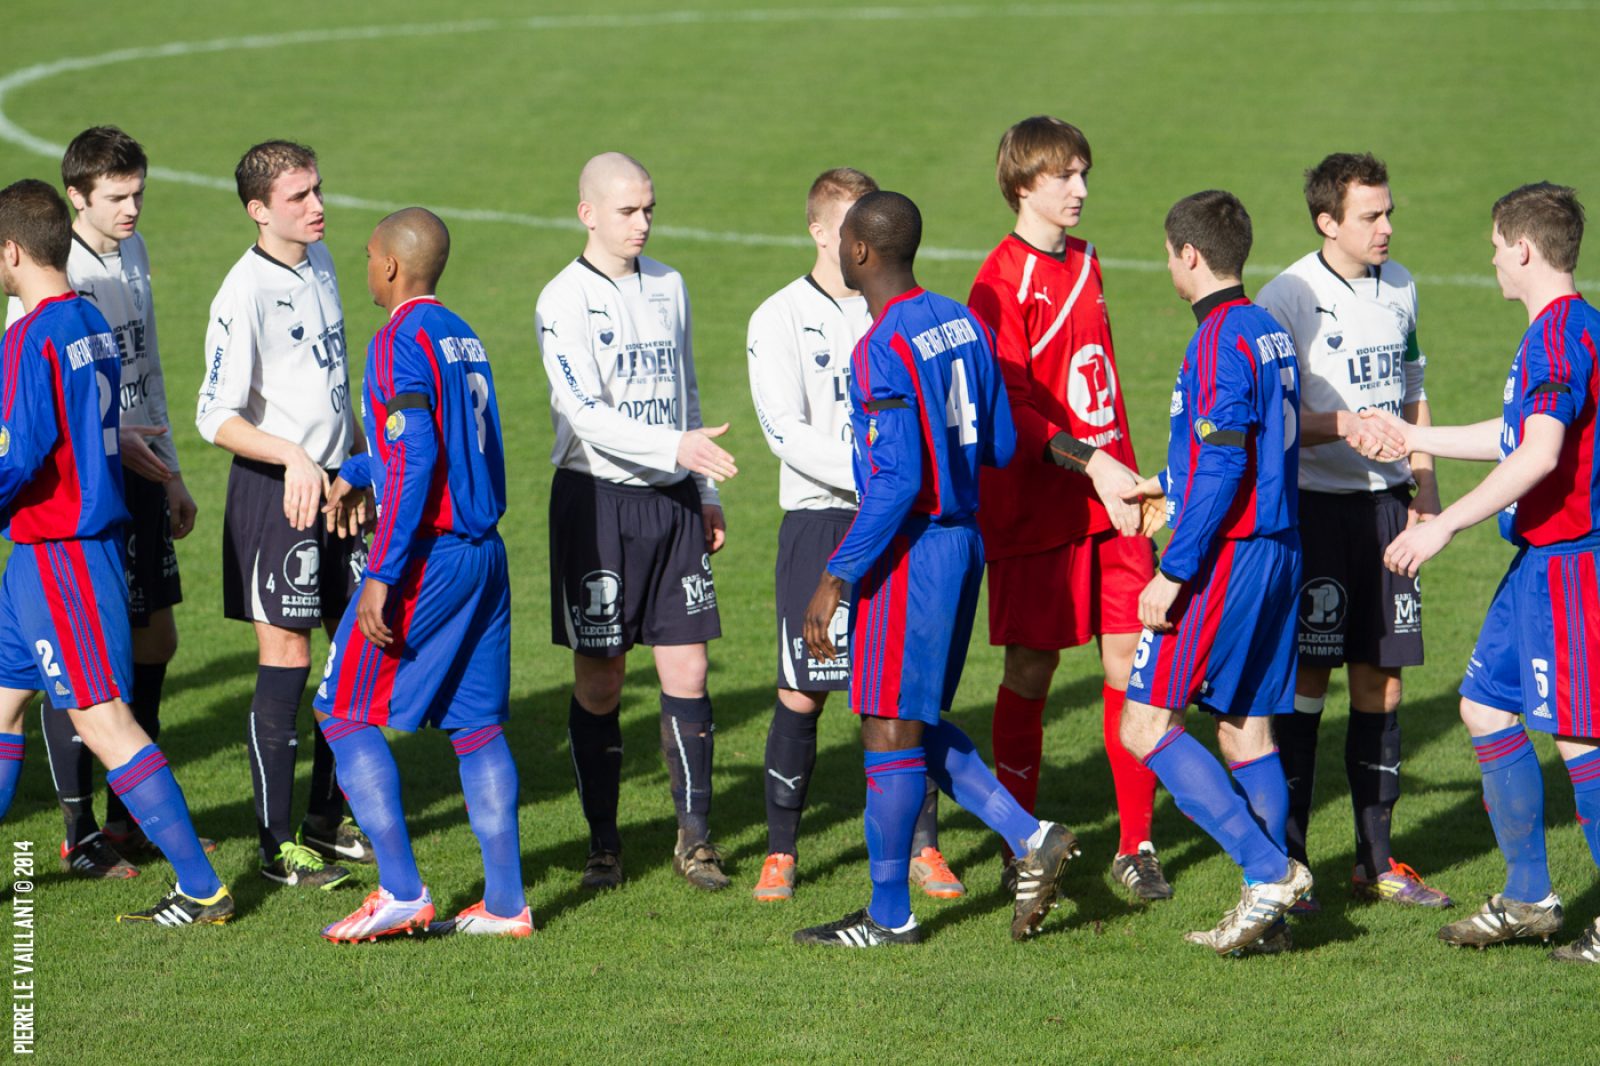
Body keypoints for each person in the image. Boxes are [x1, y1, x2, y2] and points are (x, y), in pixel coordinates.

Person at [791, 190, 1079, 948]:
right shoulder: (963, 321)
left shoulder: (879, 347)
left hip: (912, 552)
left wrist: (837, 575)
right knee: (912, 715)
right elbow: (1003, 446)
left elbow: (895, 482)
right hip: (963, 545)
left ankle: (890, 915)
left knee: (888, 726)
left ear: (860, 251)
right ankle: (1032, 836)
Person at [1376, 182, 1600, 963]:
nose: (1494, 259)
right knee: (1483, 708)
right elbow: (1515, 435)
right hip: (1538, 565)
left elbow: (1538, 454)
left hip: (1570, 566)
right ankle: (1530, 896)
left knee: (1580, 740)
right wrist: (1410, 434)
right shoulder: (1563, 329)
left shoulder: (1558, 337)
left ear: (1524, 249)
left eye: (1498, 246)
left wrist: (1445, 524)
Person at [0, 178, 231, 925]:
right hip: (39, 559)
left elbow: (18, 454)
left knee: (103, 722)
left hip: (62, 554)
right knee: (2, 707)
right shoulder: (90, 322)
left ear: (11, 252)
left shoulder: (28, 337)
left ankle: (202, 888)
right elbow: (80, 424)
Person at [746, 167, 963, 903]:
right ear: (820, 232)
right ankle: (781, 852)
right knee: (803, 690)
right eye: (847, 222)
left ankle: (925, 848)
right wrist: (881, 474)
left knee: (905, 694)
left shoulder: (897, 309)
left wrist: (898, 484)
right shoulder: (777, 317)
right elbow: (783, 430)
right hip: (824, 515)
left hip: (901, 521)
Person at [314, 207, 528, 941]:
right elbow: (445, 445)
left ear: (392, 266)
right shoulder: (460, 334)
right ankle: (506, 904)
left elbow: (416, 457)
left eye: (369, 257)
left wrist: (381, 571)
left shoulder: (395, 340)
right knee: (476, 727)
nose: (366, 268)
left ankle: (401, 890)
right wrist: (360, 468)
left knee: (341, 711)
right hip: (485, 555)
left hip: (430, 558)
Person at [967, 116, 1168, 900]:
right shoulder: (996, 282)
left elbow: (1098, 379)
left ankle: (1136, 843)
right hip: (1036, 507)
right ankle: (1020, 840)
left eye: (1085, 173)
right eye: (1065, 176)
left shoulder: (1086, 259)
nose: (1081, 189)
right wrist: (1095, 464)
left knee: (1131, 659)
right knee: (1031, 665)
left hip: (1114, 502)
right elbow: (1010, 411)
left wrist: (1125, 476)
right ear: (1024, 184)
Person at [1118, 190, 1312, 956]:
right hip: (1279, 548)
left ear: (1189, 255)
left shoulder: (1219, 340)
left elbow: (1228, 463)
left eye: (1169, 254)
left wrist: (1174, 569)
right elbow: (1243, 448)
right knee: (1244, 730)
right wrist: (1168, 484)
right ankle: (1275, 914)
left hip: (1227, 556)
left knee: (1145, 724)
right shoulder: (1267, 330)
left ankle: (1269, 873)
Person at [1256, 152, 1451, 909]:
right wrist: (1343, 426)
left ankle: (1376, 860)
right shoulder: (1287, 297)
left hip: (1389, 509)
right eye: (1370, 215)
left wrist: (1425, 486)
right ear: (1326, 221)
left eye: (1388, 211)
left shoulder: (1401, 284)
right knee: (1307, 682)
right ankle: (1292, 862)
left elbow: (1414, 389)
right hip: (1317, 512)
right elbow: (1271, 417)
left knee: (1384, 681)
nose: (1386, 227)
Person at [536, 152, 736, 891]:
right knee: (602, 681)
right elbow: (583, 414)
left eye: (649, 208)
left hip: (674, 500)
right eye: (628, 211)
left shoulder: (670, 284)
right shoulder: (562, 300)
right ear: (588, 214)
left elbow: (686, 387)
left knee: (689, 669)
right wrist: (674, 447)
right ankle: (604, 843)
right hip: (597, 504)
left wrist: (702, 488)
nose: (643, 222)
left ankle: (696, 839)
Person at [197, 140, 371, 890]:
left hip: (337, 491)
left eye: (318, 189)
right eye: (299, 197)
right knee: (289, 659)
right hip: (279, 494)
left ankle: (326, 821)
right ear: (259, 211)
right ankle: (274, 848)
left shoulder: (320, 261)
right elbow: (214, 414)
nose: (318, 205)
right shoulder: (243, 292)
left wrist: (358, 463)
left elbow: (333, 381)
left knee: (356, 649)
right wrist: (295, 457)